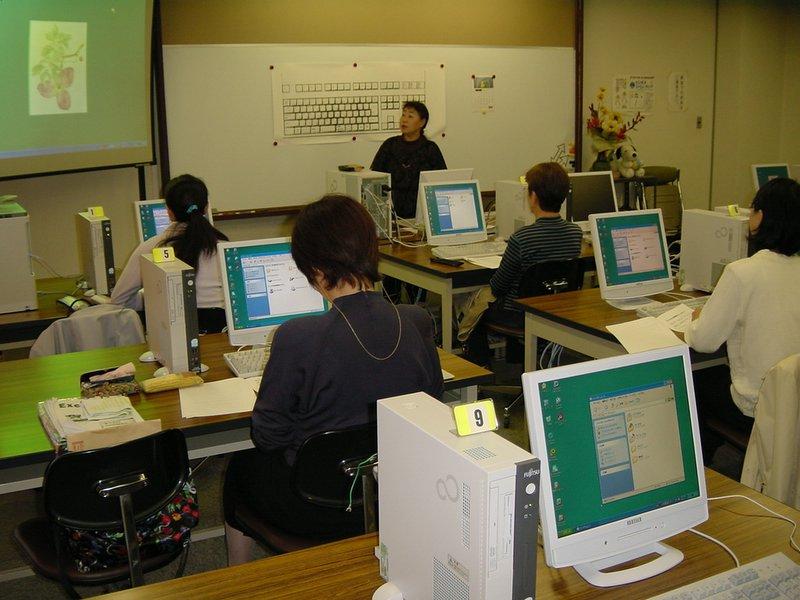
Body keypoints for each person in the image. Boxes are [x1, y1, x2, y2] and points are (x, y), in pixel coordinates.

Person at [223, 194, 444, 565]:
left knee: (239, 468)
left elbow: (267, 435)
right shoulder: (416, 320)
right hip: (397, 494)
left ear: (315, 270)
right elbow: (433, 409)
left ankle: (237, 581)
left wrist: (309, 443)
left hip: (316, 506)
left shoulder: (296, 336)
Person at [685, 177, 800, 450]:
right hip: (793, 406)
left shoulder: (741, 272)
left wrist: (696, 321)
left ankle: (708, 466)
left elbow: (703, 342)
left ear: (760, 217)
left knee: (692, 379)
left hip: (757, 409)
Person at [459, 162, 583, 365]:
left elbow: (499, 286)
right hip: (555, 309)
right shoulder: (574, 233)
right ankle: (519, 361)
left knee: (472, 309)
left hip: (518, 313)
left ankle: (481, 372)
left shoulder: (523, 238)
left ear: (533, 197)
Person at [111, 174, 229, 334]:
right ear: (206, 207)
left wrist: (151, 300)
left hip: (173, 338)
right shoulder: (225, 247)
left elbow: (119, 300)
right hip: (221, 336)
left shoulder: (151, 247)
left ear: (169, 211)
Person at [371, 101, 447, 219]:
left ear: (422, 122)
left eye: (410, 116)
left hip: (423, 212)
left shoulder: (430, 149)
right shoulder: (390, 145)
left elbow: (442, 181)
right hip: (390, 212)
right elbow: (374, 177)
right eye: (403, 115)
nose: (404, 120)